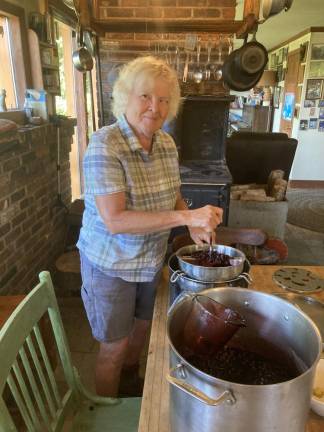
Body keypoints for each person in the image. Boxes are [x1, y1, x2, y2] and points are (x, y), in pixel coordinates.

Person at [77, 56, 223, 397]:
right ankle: (107, 407)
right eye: (145, 96)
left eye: (163, 99)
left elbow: (172, 194)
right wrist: (187, 217)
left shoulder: (166, 144)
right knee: (114, 348)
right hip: (110, 266)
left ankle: (130, 389)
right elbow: (115, 220)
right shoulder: (104, 145)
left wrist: (192, 227)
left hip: (148, 262)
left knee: (142, 332)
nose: (154, 107)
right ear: (125, 96)